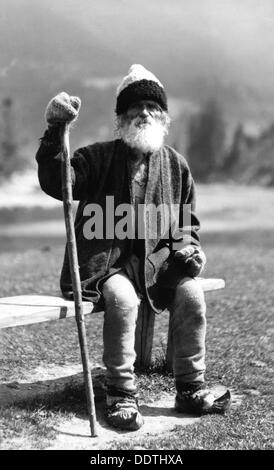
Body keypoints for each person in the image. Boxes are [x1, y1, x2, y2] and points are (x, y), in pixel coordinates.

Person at [36, 64, 231, 431]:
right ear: (121, 117)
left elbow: (187, 225)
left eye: (152, 107)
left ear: (163, 117)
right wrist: (54, 131)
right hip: (107, 267)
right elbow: (59, 183)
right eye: (134, 107)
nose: (143, 113)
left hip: (159, 266)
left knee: (191, 296)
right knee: (124, 301)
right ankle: (121, 393)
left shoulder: (176, 166)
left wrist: (189, 250)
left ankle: (190, 388)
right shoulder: (95, 158)